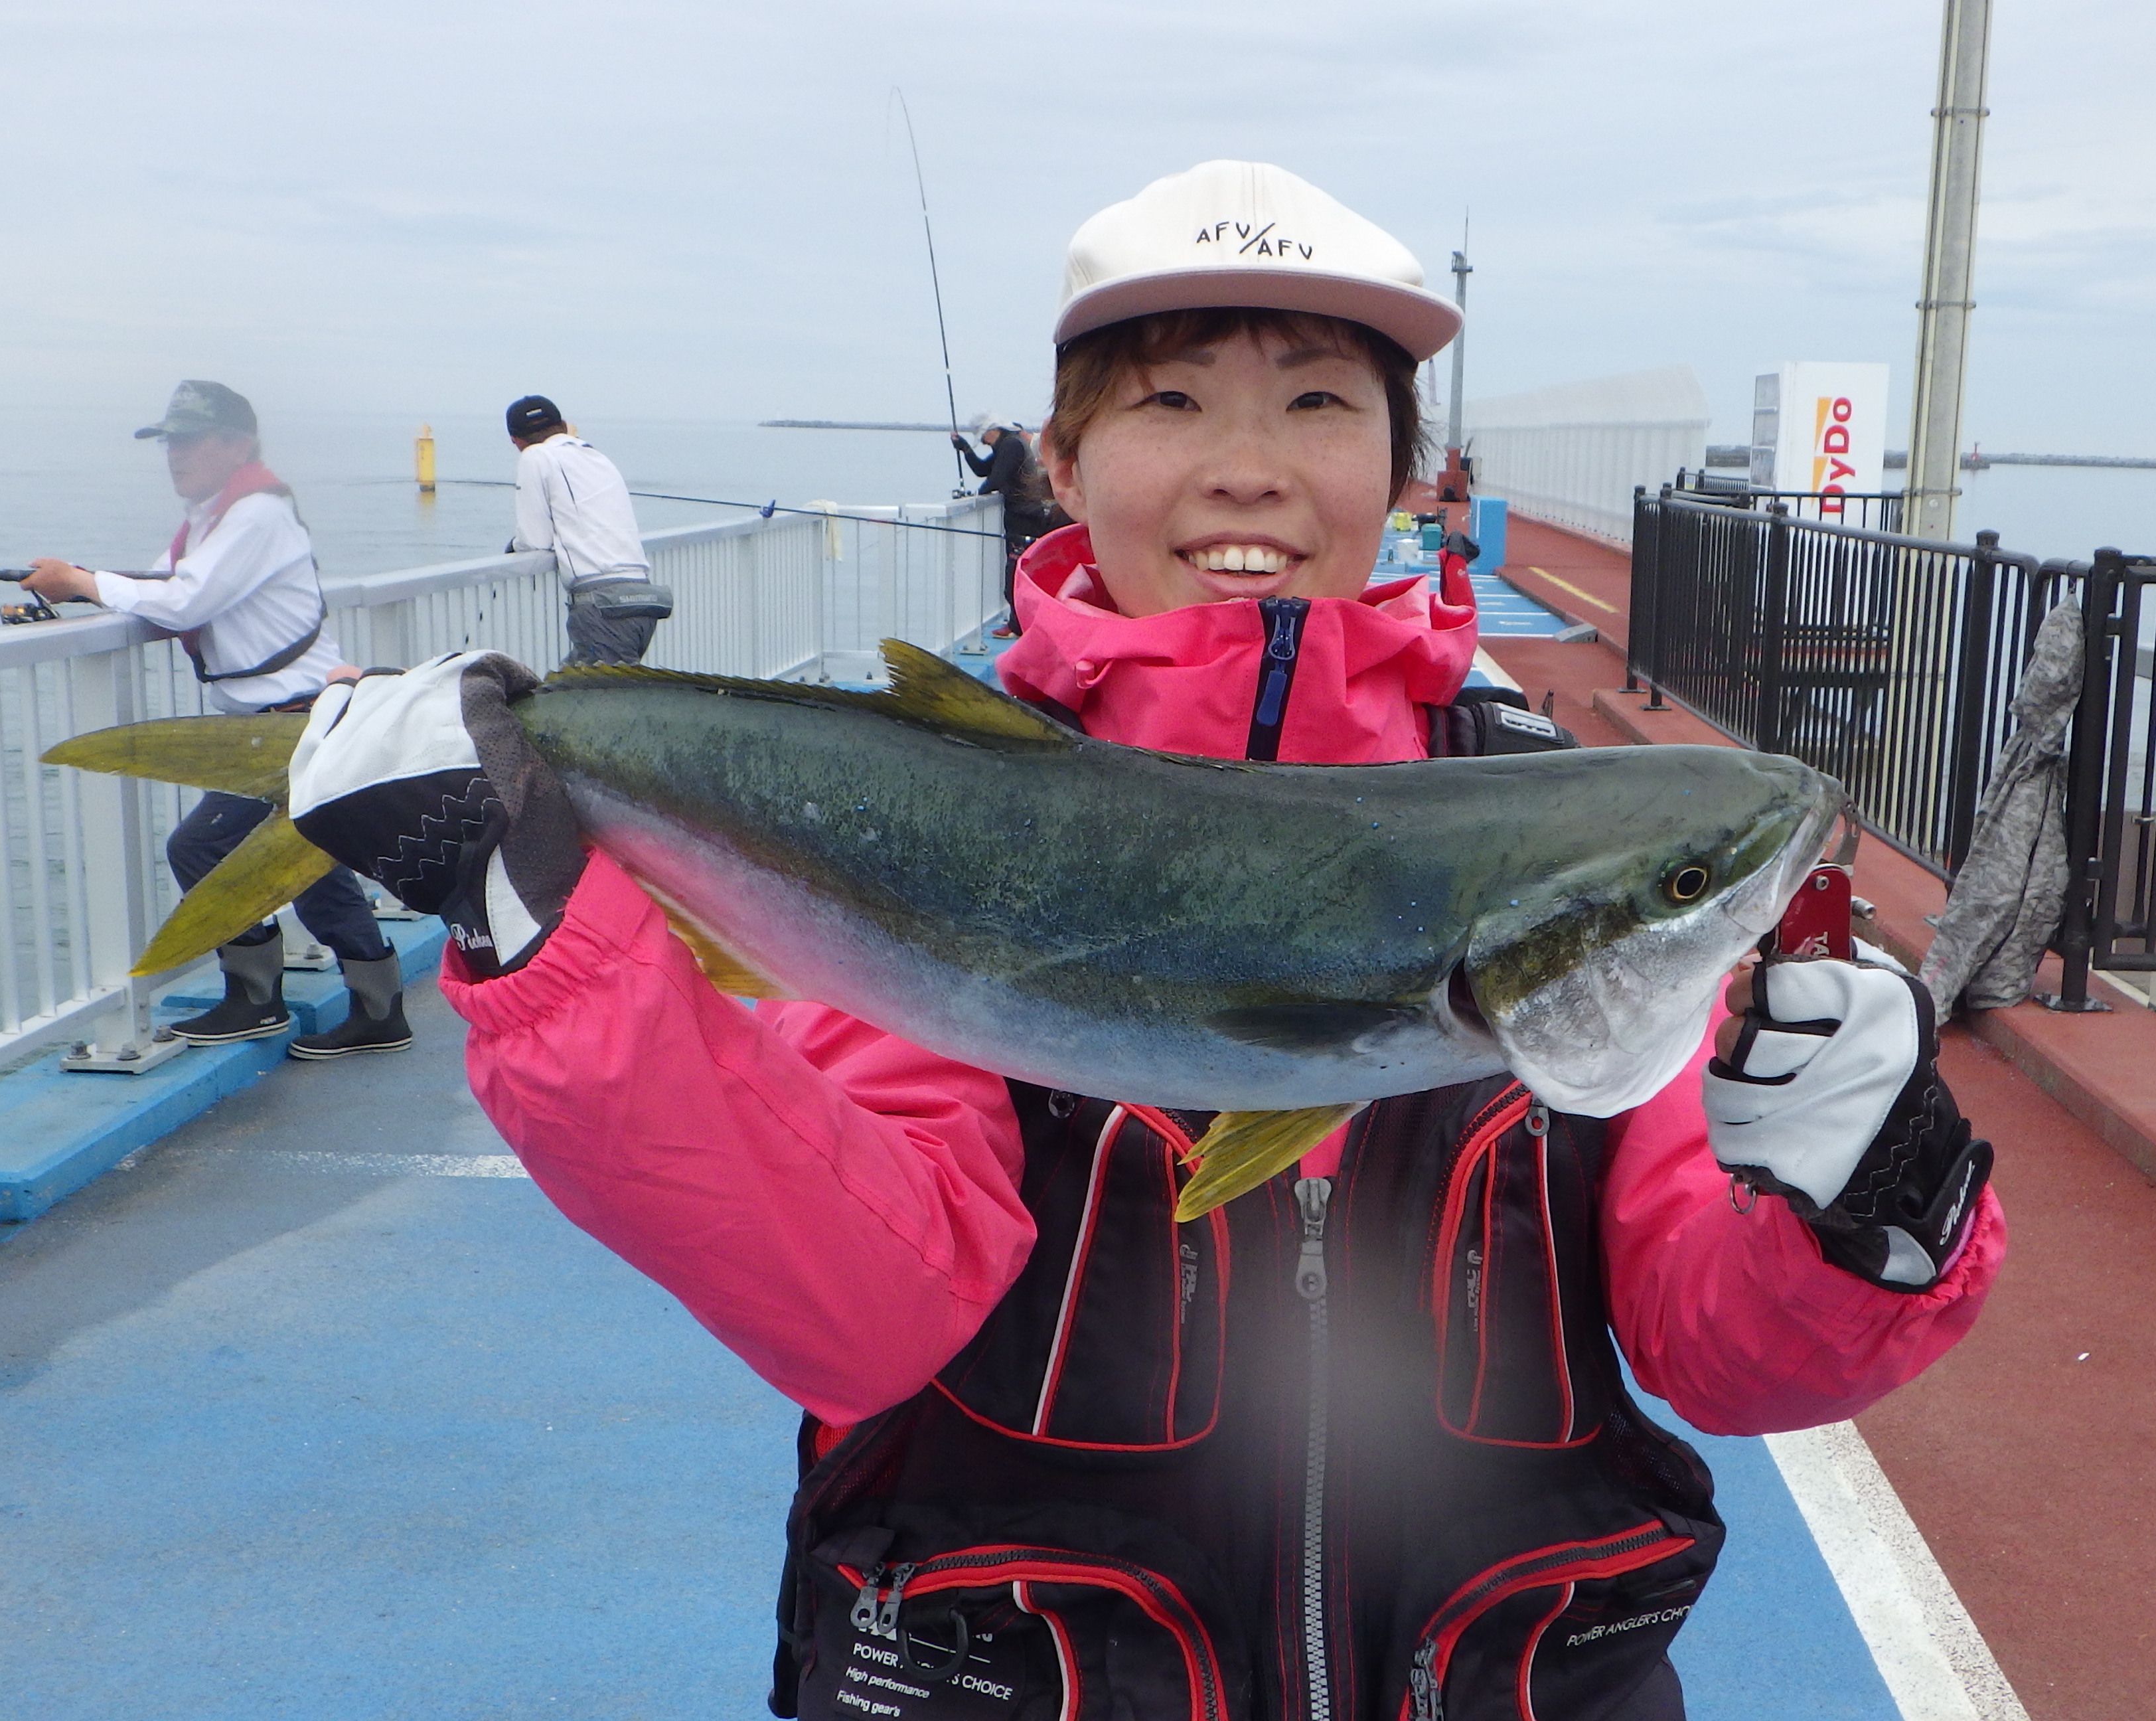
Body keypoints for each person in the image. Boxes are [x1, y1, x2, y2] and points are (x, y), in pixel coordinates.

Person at [284, 161, 2001, 1719]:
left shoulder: (1542, 836)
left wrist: (1862, 1193)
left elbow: (1733, 1352)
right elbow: (859, 1314)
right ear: (1065, 461)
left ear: (1404, 468)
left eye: (1318, 401)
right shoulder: (946, 795)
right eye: (1172, 400)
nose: (1247, 461)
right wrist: (547, 943)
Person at [22, 380, 412, 1060]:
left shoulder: (257, 514)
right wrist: (75, 590)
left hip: (289, 722)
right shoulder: (212, 519)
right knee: (308, 859)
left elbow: (187, 601)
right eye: (169, 441)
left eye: (192, 439)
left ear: (239, 445)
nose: (176, 454)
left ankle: (257, 998)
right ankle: (377, 1008)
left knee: (201, 848)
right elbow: (156, 592)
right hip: (280, 722)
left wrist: (82, 582)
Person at [504, 395, 676, 665]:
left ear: (516, 440)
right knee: (583, 688)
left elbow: (534, 540)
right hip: (641, 597)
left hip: (602, 605)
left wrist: (515, 547)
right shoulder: (596, 457)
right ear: (563, 426)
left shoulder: (535, 456)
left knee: (593, 699)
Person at [952, 414, 1062, 637]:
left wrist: (976, 495)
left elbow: (997, 478)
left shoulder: (1011, 445)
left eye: (982, 438)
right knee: (1020, 568)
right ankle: (1022, 623)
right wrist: (965, 449)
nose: (983, 442)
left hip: (1025, 518)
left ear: (991, 431)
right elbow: (983, 470)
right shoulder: (1006, 444)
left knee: (1016, 570)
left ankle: (1017, 626)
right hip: (1020, 517)